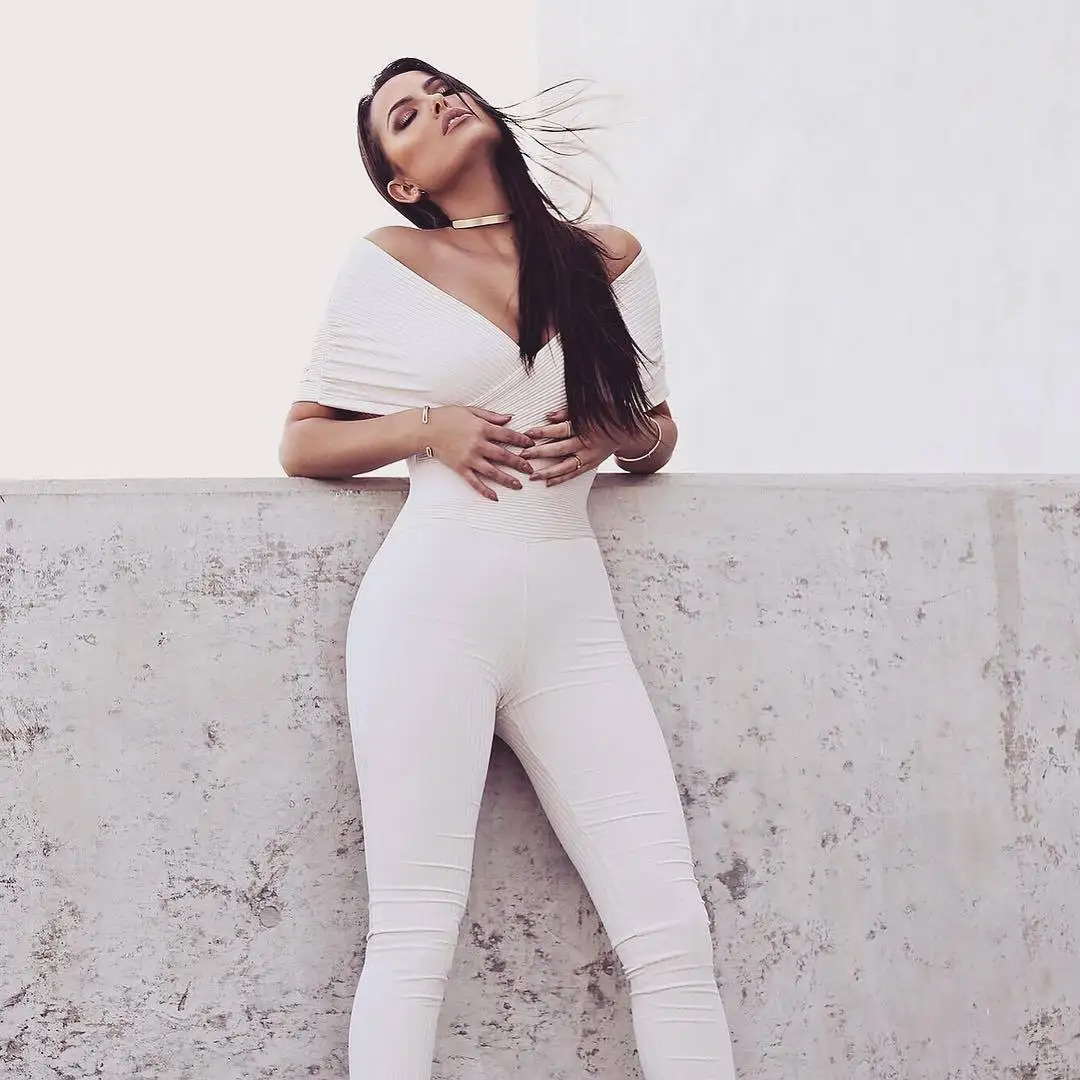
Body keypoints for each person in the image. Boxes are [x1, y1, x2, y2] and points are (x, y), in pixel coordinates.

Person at [279, 56, 737, 1080]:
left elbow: (658, 433)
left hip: (572, 616)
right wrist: (427, 427)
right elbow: (302, 442)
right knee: (413, 933)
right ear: (403, 180)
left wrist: (619, 431)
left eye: (441, 87)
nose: (438, 103)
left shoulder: (608, 258)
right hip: (429, 610)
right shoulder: (390, 262)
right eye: (405, 114)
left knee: (671, 931)